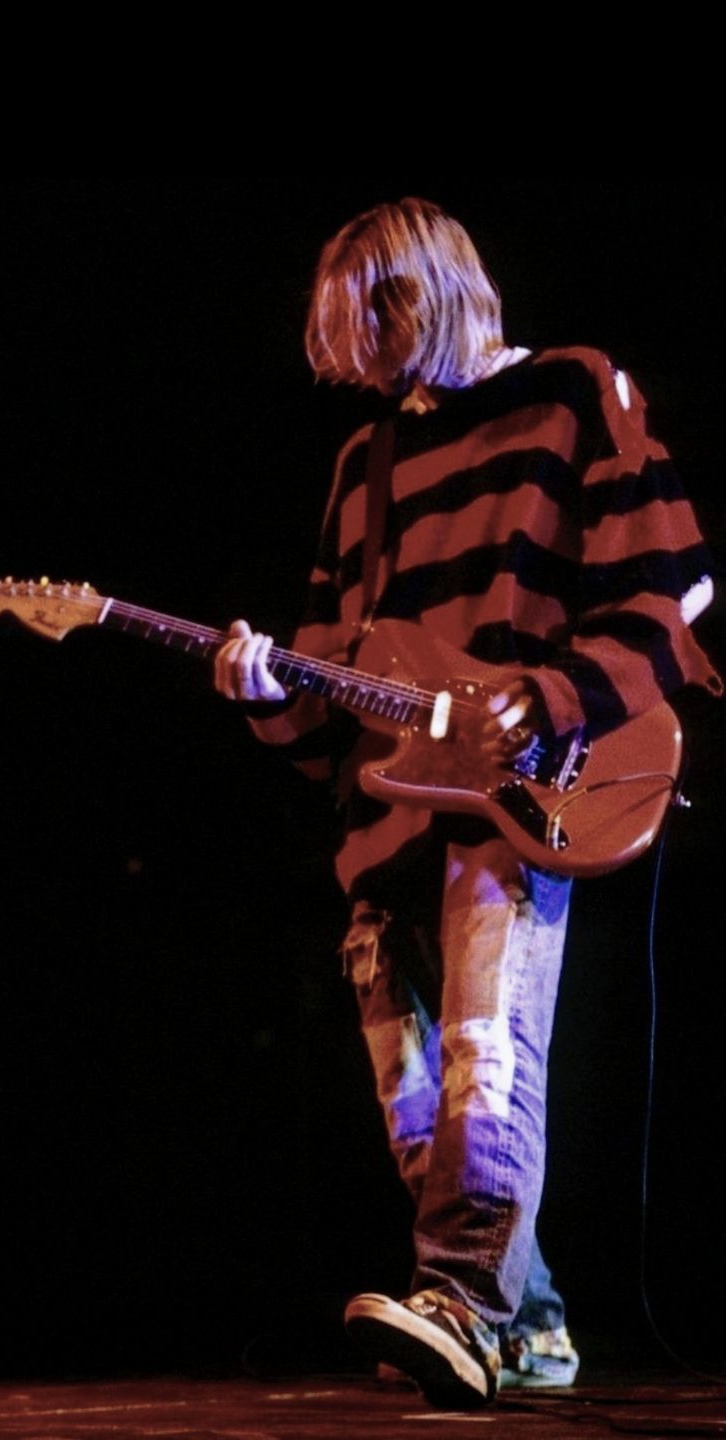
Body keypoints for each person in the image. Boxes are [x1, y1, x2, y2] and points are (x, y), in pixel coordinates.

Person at [214, 198, 720, 1410]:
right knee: (411, 1097)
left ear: (426, 290)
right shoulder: (365, 464)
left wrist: (548, 697)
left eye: (375, 322)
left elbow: (674, 591)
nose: (369, 361)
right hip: (382, 819)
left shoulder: (571, 391)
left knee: (487, 1063)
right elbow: (335, 689)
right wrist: (262, 688)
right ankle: (531, 1326)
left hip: (517, 804)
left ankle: (461, 1301)